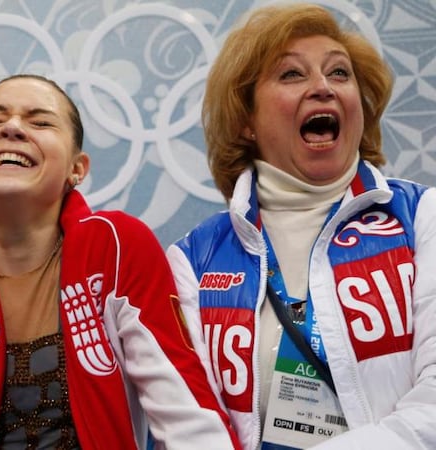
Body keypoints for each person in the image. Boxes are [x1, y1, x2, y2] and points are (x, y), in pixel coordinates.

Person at [0, 74, 240, 449]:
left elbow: (187, 413)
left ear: (76, 169)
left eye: (40, 122)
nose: (11, 128)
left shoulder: (117, 246)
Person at [166, 3, 436, 450]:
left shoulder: (421, 216)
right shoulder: (194, 260)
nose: (323, 88)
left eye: (339, 73)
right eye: (292, 75)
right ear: (247, 121)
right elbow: (190, 425)